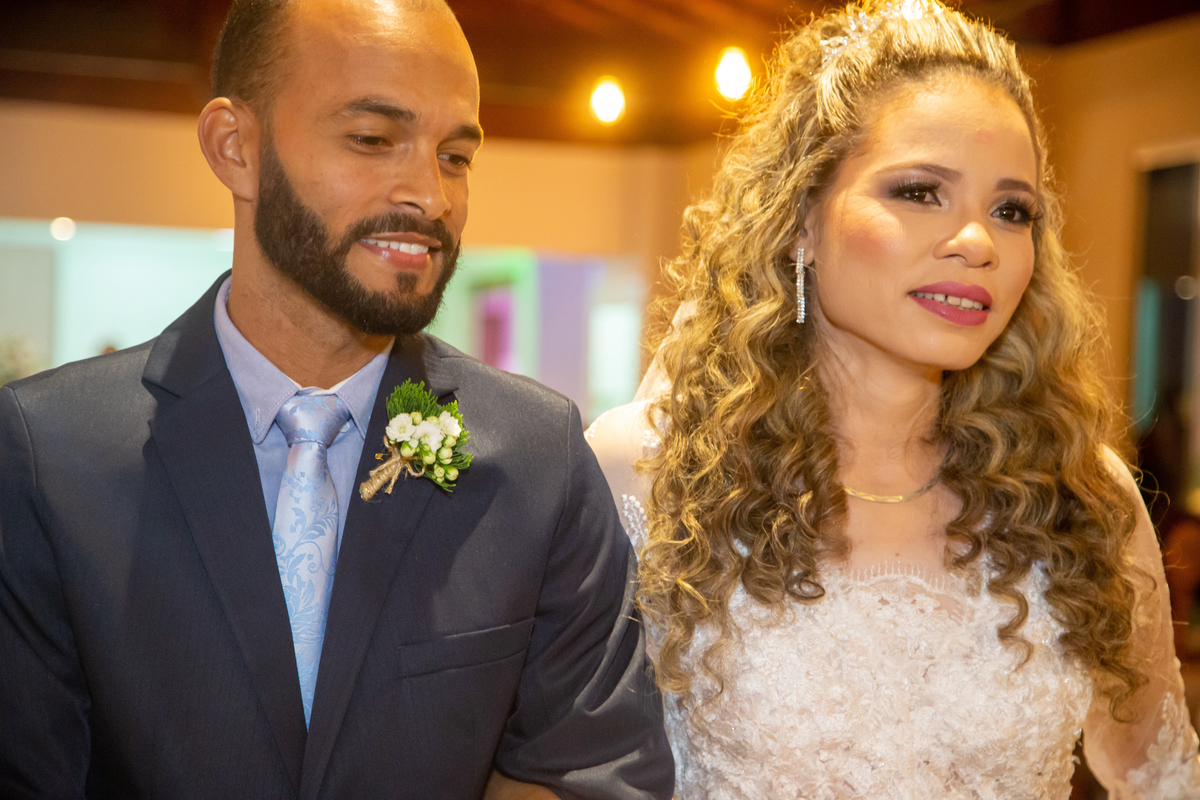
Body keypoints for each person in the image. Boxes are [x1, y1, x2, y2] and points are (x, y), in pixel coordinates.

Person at [0, 0, 673, 797]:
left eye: (455, 156)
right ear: (235, 147)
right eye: (372, 140)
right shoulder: (50, 455)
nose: (431, 196)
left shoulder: (540, 456)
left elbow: (593, 772)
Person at [586, 0, 1200, 796]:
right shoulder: (643, 475)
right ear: (801, 220)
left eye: (1011, 211)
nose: (977, 242)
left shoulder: (1081, 502)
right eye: (919, 192)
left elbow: (1164, 776)